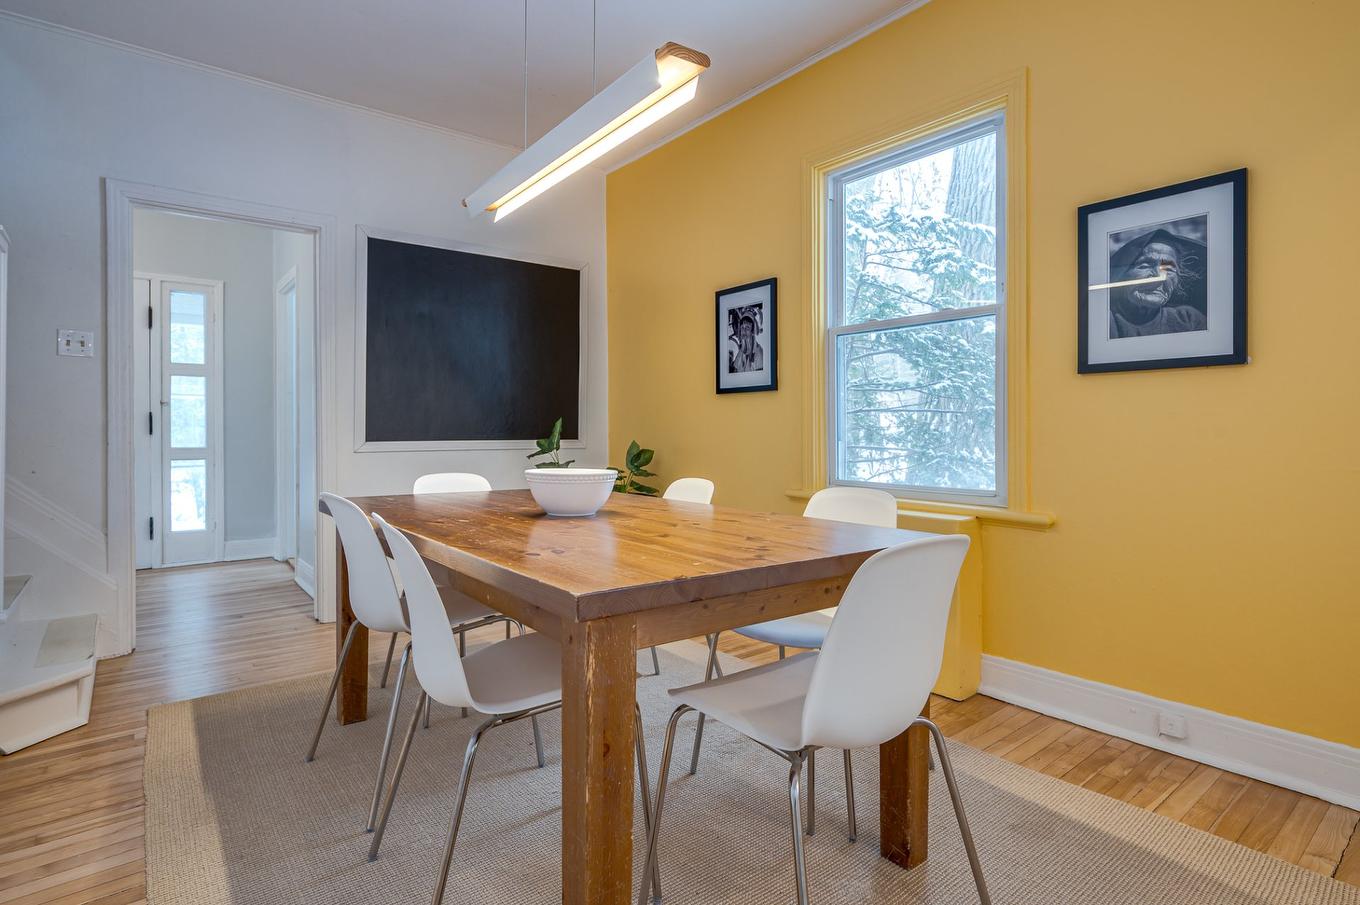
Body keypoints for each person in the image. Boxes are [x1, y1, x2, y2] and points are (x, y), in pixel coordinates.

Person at [1108, 227, 1207, 338]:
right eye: (1144, 266)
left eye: (1168, 269)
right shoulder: (1106, 321)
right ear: (1121, 275)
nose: (1159, 277)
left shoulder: (1189, 319)